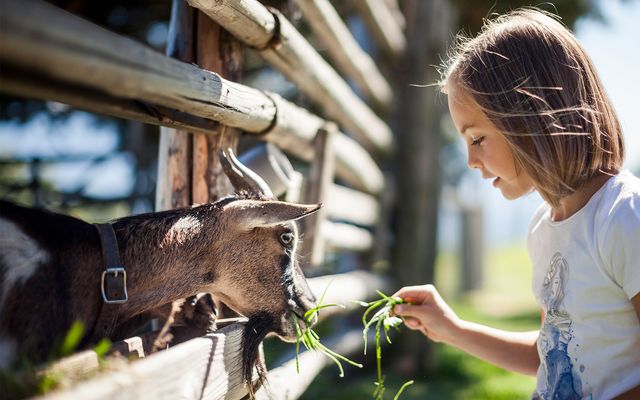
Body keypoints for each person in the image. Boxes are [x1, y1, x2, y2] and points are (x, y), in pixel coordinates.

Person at [392, 8, 640, 400]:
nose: (471, 161)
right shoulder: (545, 228)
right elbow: (550, 357)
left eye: (477, 139)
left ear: (531, 118)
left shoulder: (623, 216)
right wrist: (452, 329)